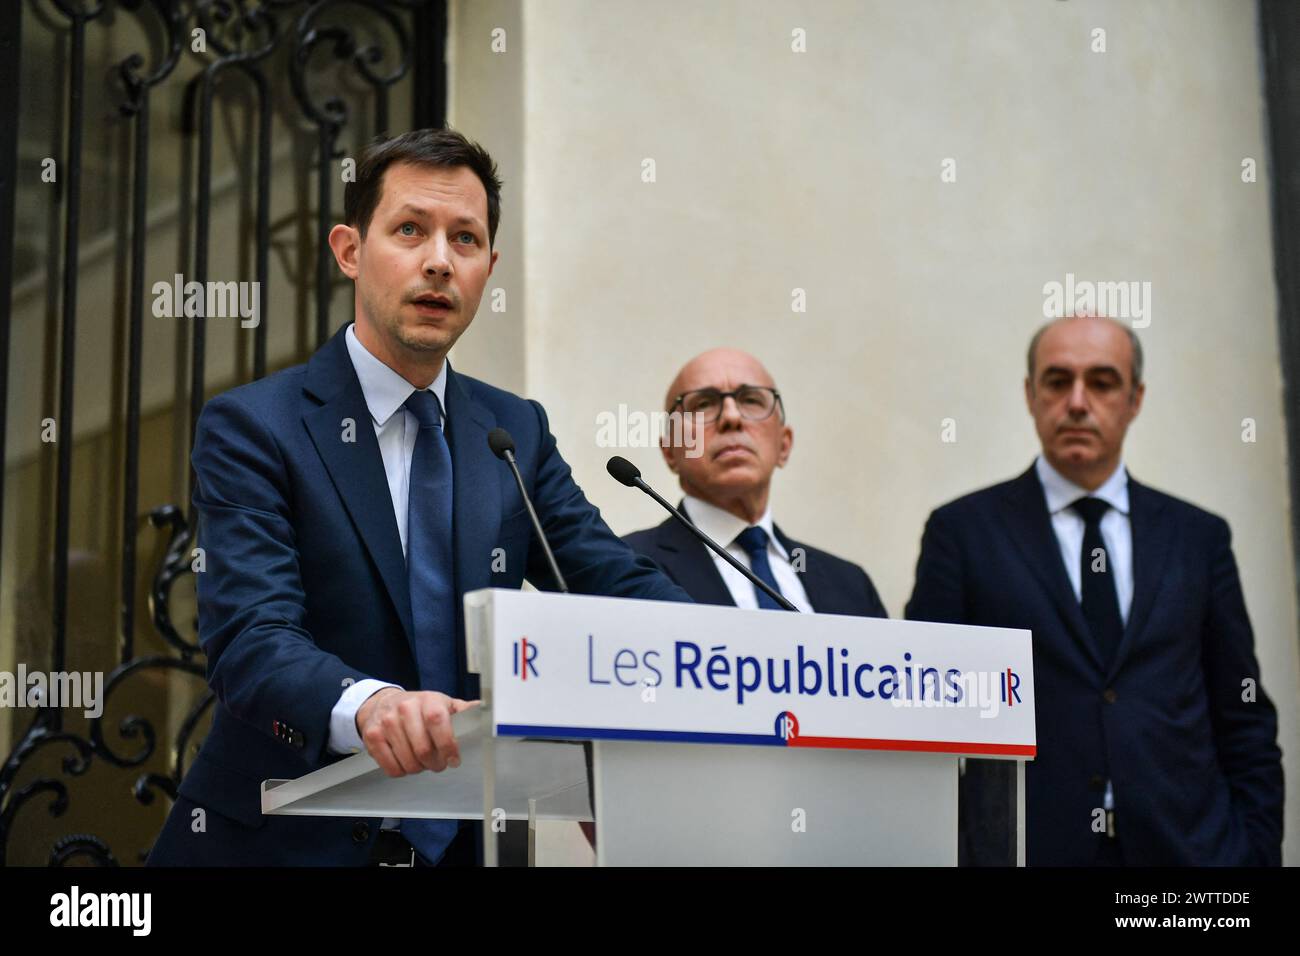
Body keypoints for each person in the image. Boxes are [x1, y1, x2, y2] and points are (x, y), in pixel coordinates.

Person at [146, 128, 690, 867]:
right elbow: (253, 638)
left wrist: (744, 659)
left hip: (469, 843)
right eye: (410, 230)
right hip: (282, 844)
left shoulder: (513, 432)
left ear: (488, 268)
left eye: (464, 239)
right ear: (348, 250)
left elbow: (612, 582)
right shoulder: (255, 426)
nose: (439, 259)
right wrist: (371, 706)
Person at [905, 315, 1283, 866]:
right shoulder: (963, 533)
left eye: (1102, 383)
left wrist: (1253, 856)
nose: (1078, 403)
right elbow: (921, 719)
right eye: (1058, 382)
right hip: (1030, 851)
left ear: (1135, 399)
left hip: (1189, 860)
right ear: (1030, 396)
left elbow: (1243, 714)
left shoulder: (1197, 538)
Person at [624, 348, 887, 618]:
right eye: (703, 404)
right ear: (670, 451)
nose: (731, 418)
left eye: (750, 400)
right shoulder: (624, 565)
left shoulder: (851, 586)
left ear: (783, 445)